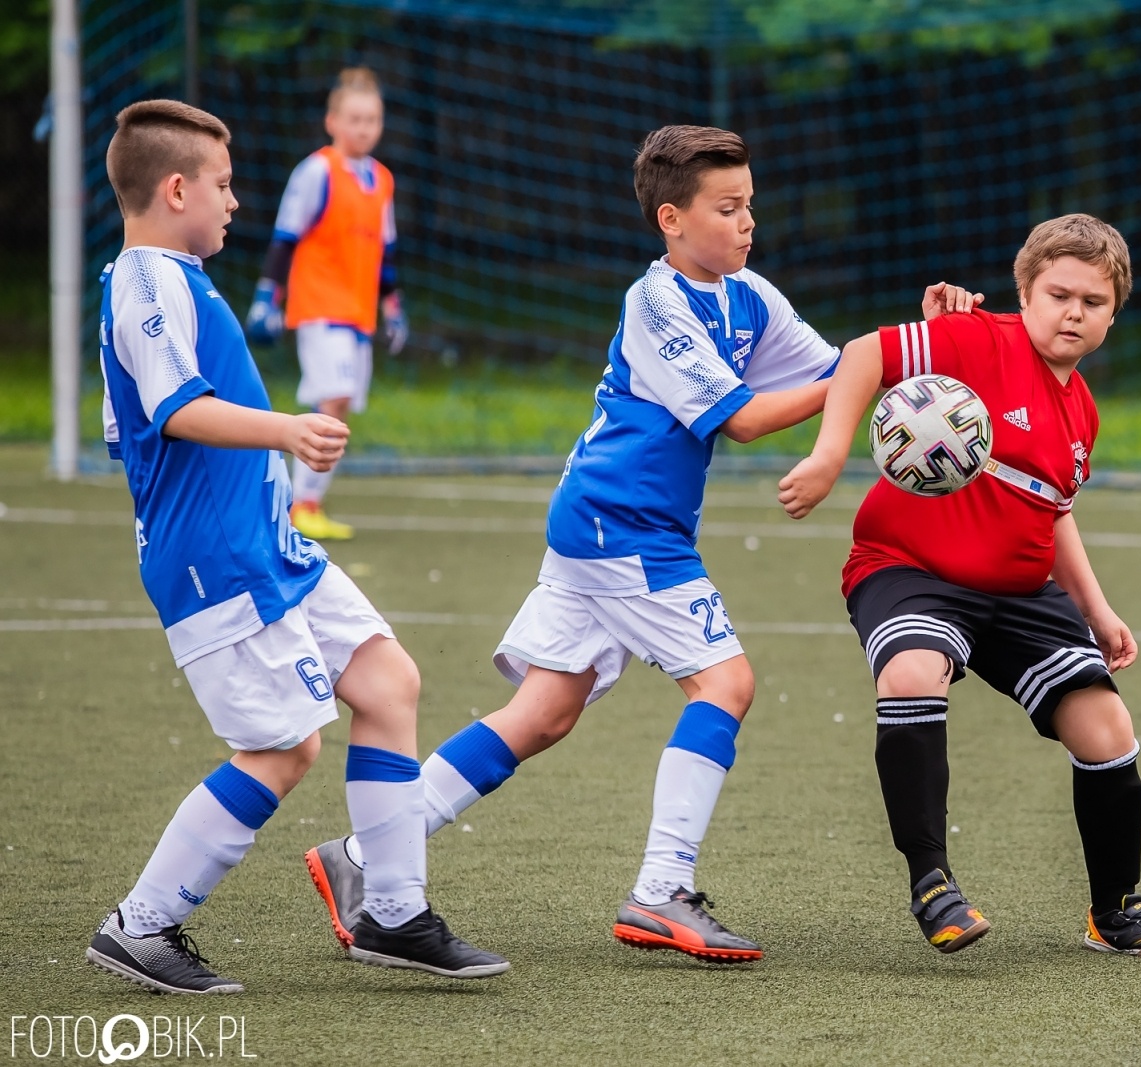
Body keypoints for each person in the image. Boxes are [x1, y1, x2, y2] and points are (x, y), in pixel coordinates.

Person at [304, 124, 979, 963]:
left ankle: (364, 853)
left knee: (542, 712)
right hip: (621, 526)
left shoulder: (749, 295)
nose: (747, 222)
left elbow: (837, 369)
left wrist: (924, 340)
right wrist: (854, 385)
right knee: (726, 683)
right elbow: (743, 417)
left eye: (750, 205)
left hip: (604, 522)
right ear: (671, 218)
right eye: (727, 208)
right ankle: (662, 890)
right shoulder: (656, 304)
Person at [88, 99, 505, 995]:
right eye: (224, 184)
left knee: (388, 681)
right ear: (175, 190)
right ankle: (141, 923)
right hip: (216, 557)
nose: (235, 201)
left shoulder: (175, 277)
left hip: (265, 543)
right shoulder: (146, 279)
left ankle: (392, 911)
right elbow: (174, 411)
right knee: (284, 748)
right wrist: (286, 429)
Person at [776, 214, 1141, 958]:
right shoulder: (978, 339)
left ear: (1113, 314)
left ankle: (1114, 909)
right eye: (1058, 294)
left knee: (1106, 729)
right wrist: (830, 454)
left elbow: (1052, 511)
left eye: (1093, 302)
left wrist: (1097, 610)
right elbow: (866, 354)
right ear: (1024, 293)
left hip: (1019, 591)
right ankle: (931, 881)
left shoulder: (1081, 410)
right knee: (912, 671)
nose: (1073, 312)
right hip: (910, 569)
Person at [245, 66, 407, 542]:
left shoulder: (382, 180)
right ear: (332, 121)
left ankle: (305, 503)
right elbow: (285, 237)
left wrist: (393, 307)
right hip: (319, 307)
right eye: (354, 119)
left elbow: (386, 253)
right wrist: (266, 296)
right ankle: (298, 506)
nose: (364, 128)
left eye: (371, 119)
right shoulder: (317, 171)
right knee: (331, 399)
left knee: (340, 407)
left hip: (358, 313)